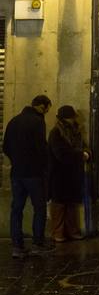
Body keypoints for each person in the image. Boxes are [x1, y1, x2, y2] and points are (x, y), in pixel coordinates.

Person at [2, 94, 53, 258]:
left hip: (17, 173)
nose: (46, 112)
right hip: (34, 173)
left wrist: (17, 160)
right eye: (47, 109)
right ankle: (38, 243)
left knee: (16, 209)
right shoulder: (38, 122)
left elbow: (5, 147)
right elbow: (41, 148)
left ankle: (17, 246)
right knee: (39, 207)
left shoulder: (14, 121)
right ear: (42, 106)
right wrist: (44, 166)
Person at [47, 105, 89, 242]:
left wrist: (87, 153)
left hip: (74, 173)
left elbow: (84, 145)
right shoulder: (56, 133)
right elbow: (61, 153)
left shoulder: (76, 131)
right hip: (60, 174)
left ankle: (72, 230)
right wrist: (80, 155)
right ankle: (58, 232)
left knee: (72, 203)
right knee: (59, 204)